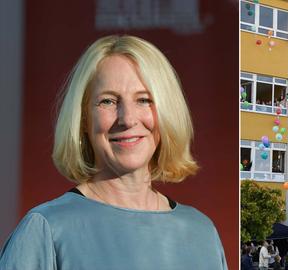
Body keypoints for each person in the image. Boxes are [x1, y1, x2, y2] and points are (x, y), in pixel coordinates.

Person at [0, 35, 226, 269]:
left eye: (144, 100)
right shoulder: (47, 229)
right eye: (107, 101)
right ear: (84, 118)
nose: (127, 119)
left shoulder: (202, 232)